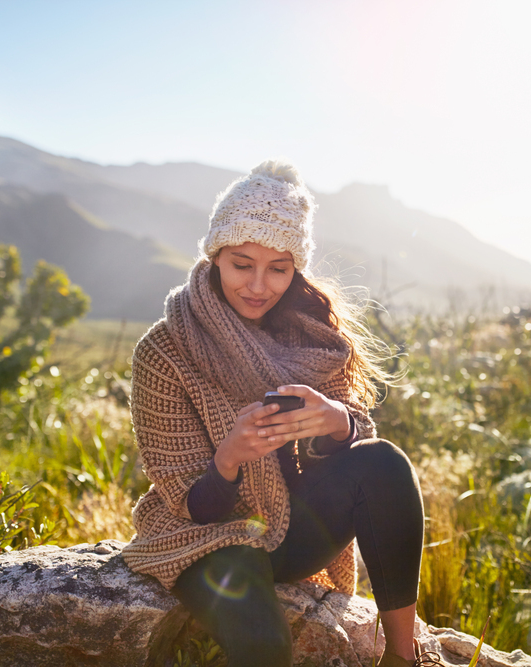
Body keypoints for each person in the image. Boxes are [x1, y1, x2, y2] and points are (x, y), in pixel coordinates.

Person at [121, 161, 441, 667]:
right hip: (204, 537)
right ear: (215, 257)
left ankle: (404, 657)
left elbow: (351, 445)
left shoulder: (309, 334)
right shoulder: (164, 351)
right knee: (266, 648)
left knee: (383, 462)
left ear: (296, 269)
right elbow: (188, 502)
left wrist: (337, 422)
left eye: (278, 268)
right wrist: (229, 459)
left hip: (293, 526)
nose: (258, 285)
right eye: (242, 263)